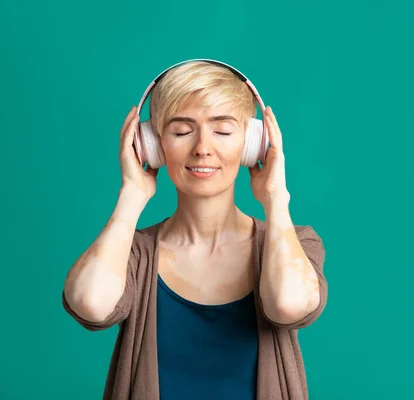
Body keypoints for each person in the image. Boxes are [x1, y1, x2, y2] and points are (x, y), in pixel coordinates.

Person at [61, 60, 328, 400]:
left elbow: (289, 305)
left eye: (223, 130)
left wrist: (276, 198)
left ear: (254, 143)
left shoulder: (295, 242)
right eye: (182, 131)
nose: (203, 147)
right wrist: (131, 195)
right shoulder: (133, 254)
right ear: (152, 146)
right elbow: (90, 302)